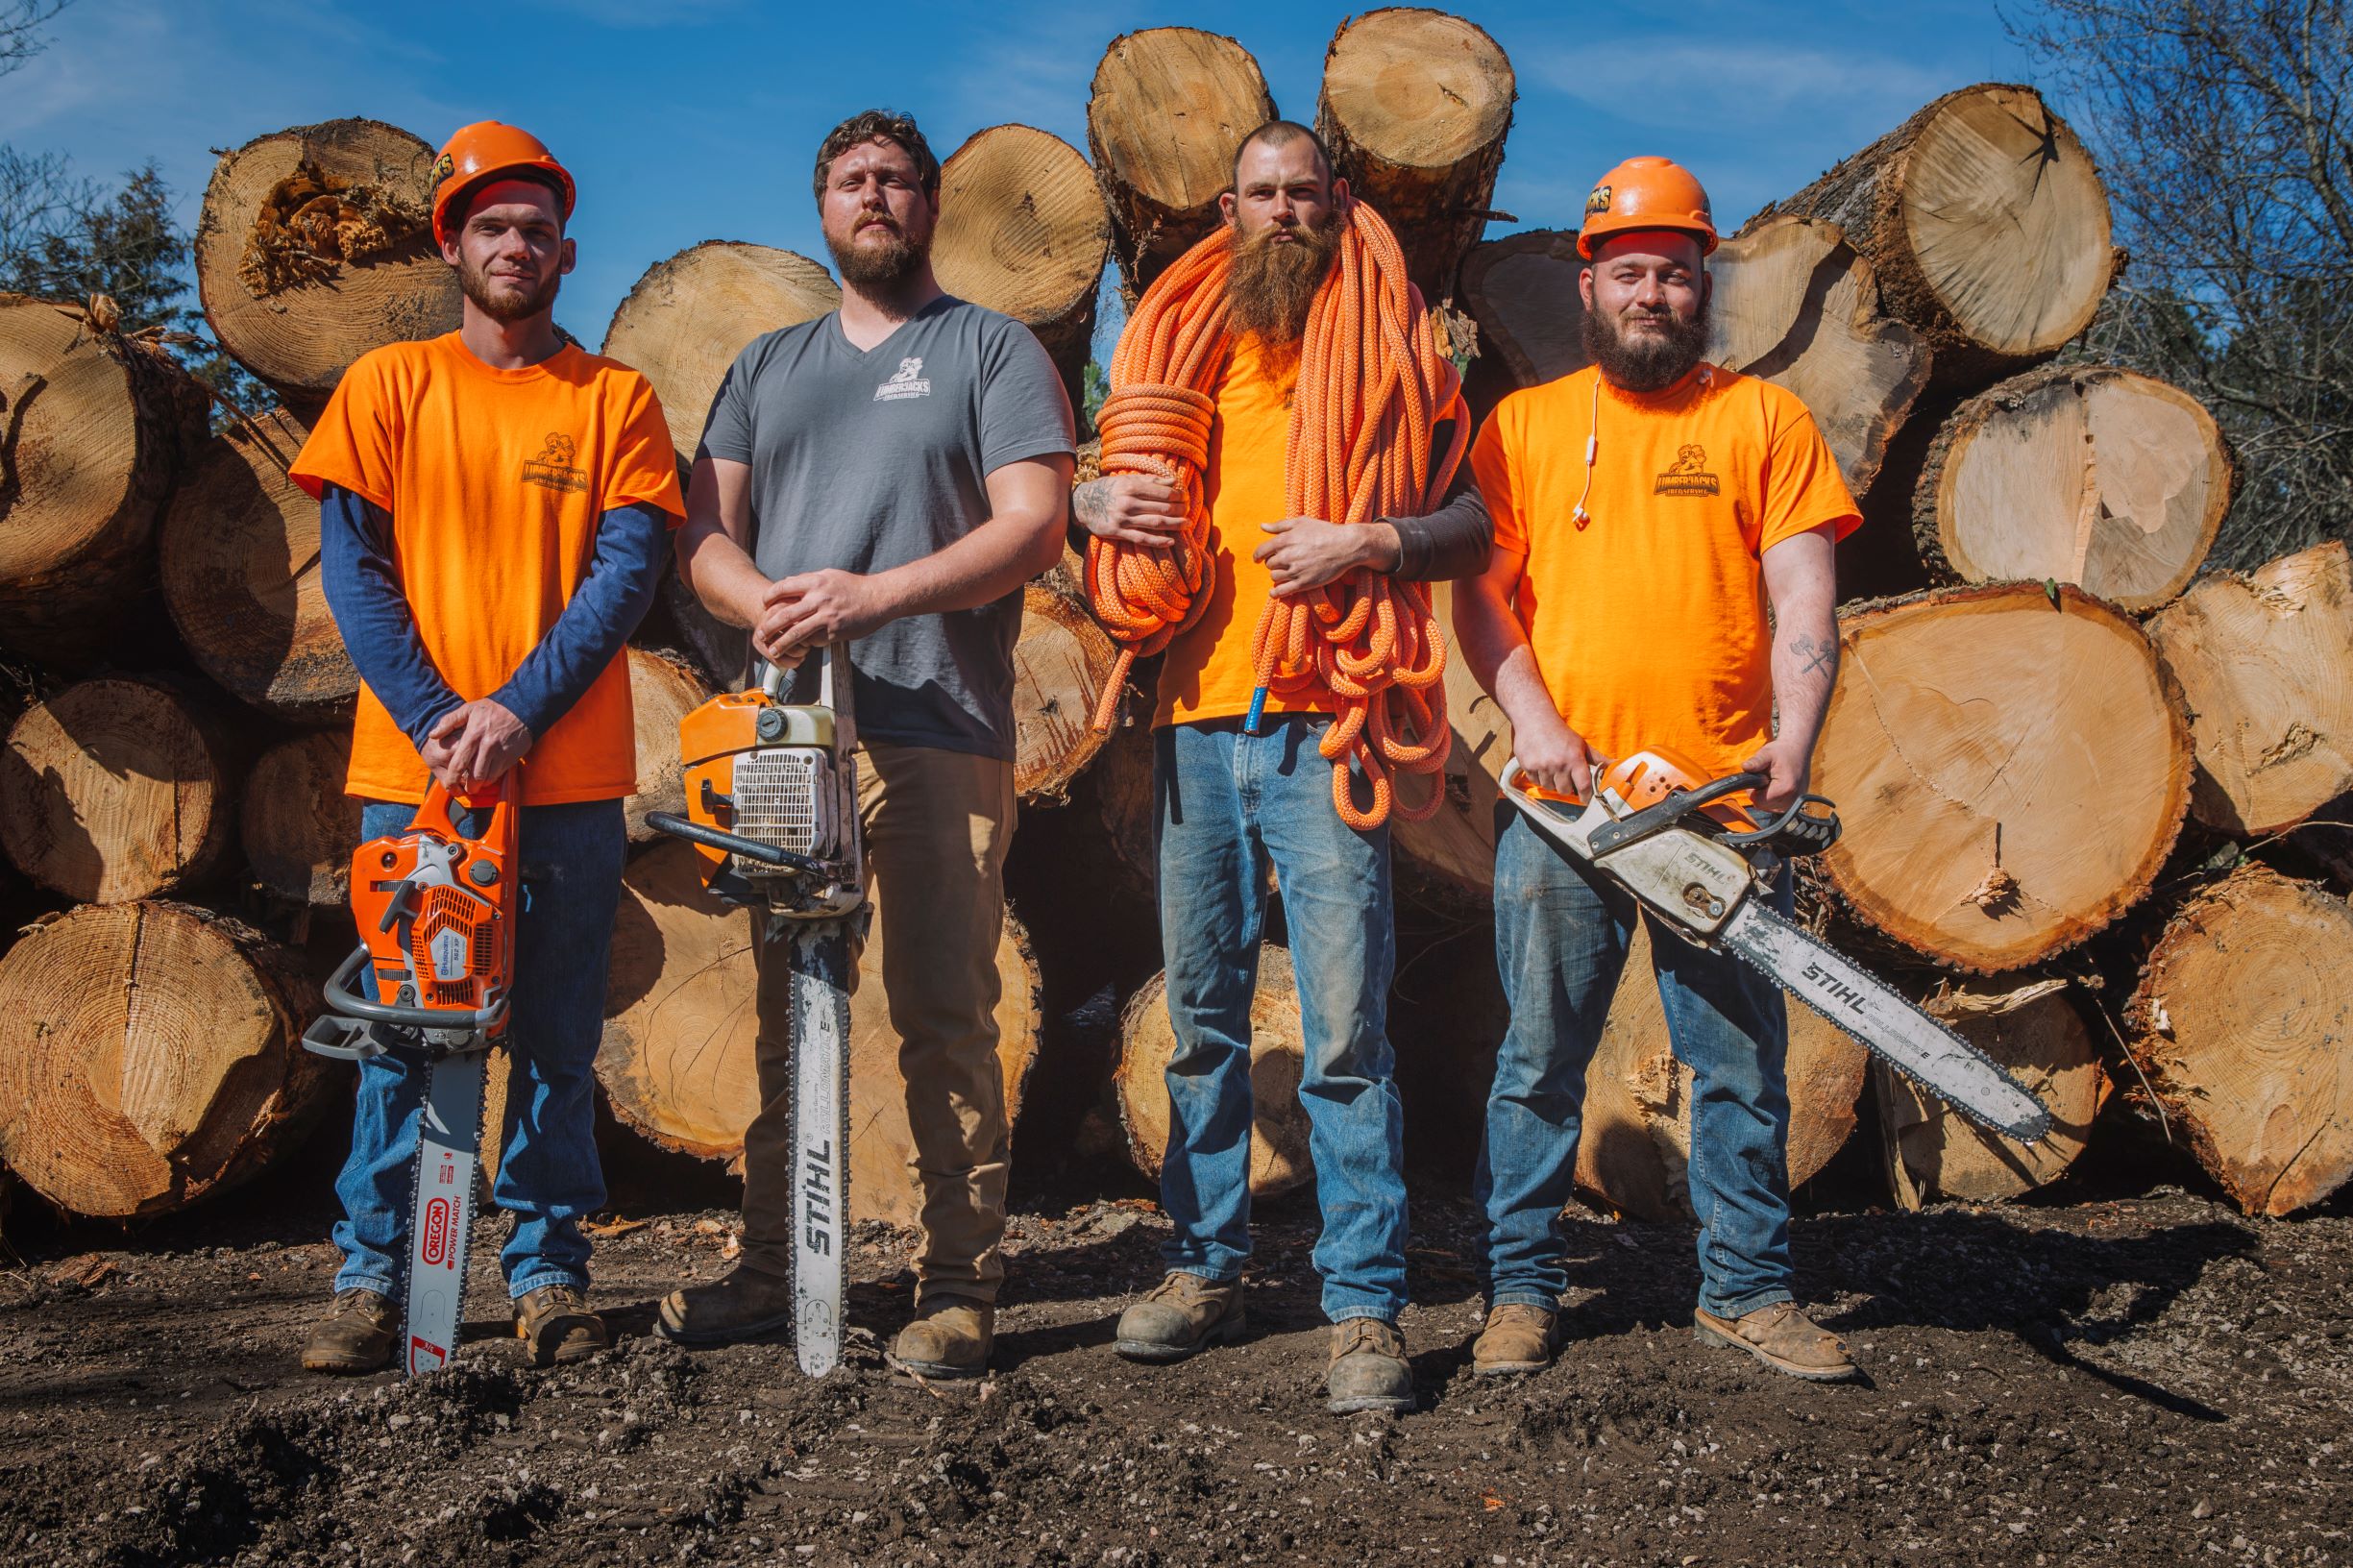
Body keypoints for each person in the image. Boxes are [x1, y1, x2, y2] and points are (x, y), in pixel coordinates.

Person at [1074, 121, 1490, 1415]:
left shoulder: (1403, 346)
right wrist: (1086, 503)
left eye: (1304, 195)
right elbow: (1106, 484)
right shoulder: (1176, 341)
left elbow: (1472, 521)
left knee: (1346, 1031)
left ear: (1339, 201)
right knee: (1200, 1025)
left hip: (1327, 721)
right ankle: (1205, 1267)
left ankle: (1362, 1305)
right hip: (1193, 724)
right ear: (1226, 205)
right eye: (1260, 195)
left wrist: (1367, 539)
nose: (1283, 216)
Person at [654, 110, 1074, 1379]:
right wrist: (757, 600)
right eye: (852, 180)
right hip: (788, 739)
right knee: (792, 1013)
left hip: (939, 725)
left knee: (944, 1011)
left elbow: (1034, 525)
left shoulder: (990, 352)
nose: (875, 196)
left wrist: (871, 595)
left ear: (930, 207)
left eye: (897, 179)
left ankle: (957, 1288)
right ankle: (780, 1267)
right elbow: (705, 536)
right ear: (822, 207)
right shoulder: (767, 367)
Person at [1453, 156, 1863, 1384]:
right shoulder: (1523, 427)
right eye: (1629, 273)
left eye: (1674, 276)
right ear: (1589, 284)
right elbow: (1478, 602)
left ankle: (1745, 1289)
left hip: (1722, 804)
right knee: (1536, 1061)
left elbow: (1804, 594)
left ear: (1703, 285)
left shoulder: (1762, 420)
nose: (1652, 295)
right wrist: (1532, 722)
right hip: (1568, 809)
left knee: (1737, 1060)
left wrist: (1791, 739)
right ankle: (1520, 1289)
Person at [292, 122, 683, 1372]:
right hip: (417, 781)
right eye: (491, 225)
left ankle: (548, 1272)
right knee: (406, 1027)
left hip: (564, 774)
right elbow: (353, 571)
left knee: (557, 1038)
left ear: (566, 253)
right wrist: (436, 719)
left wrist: (516, 709)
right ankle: (375, 1279)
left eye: (535, 228)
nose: (514, 245)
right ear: (451, 243)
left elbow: (623, 577)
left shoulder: (614, 398)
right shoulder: (385, 389)